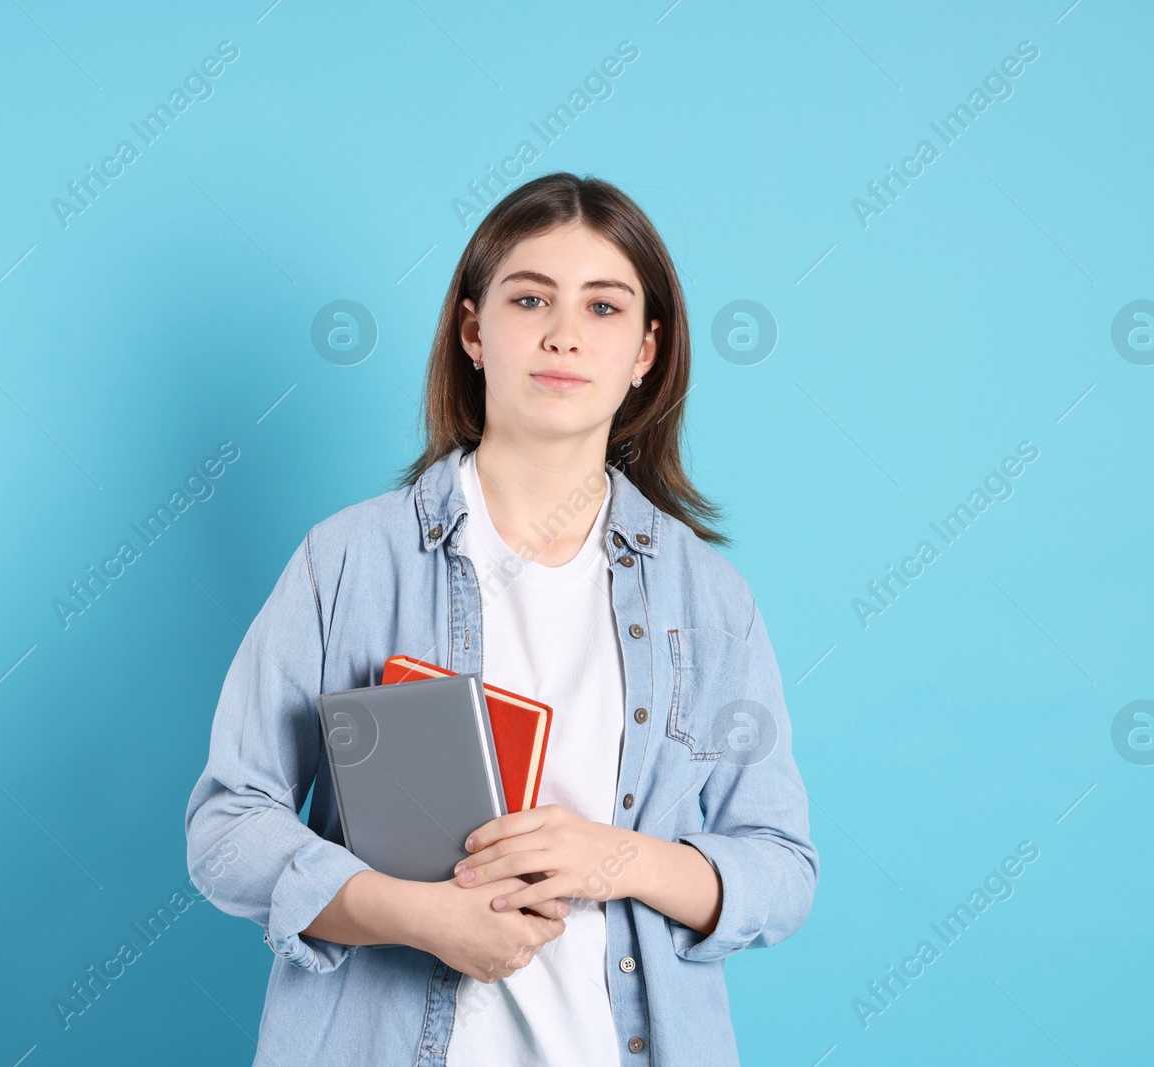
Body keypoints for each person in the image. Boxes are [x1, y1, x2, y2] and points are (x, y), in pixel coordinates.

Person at [184, 171, 819, 1066]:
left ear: (646, 350)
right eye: (531, 298)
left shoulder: (709, 601)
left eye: (604, 307)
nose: (564, 333)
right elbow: (226, 828)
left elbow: (781, 869)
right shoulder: (349, 562)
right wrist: (416, 914)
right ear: (475, 329)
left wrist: (617, 858)